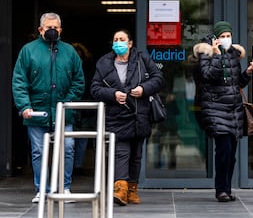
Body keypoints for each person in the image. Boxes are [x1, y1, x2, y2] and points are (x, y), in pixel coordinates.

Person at [12, 12, 85, 203]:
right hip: (37, 111)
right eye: (48, 27)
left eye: (55, 27)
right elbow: (19, 81)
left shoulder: (69, 52)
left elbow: (79, 81)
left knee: (68, 148)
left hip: (64, 111)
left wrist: (67, 103)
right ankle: (42, 190)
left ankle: (65, 188)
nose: (52, 31)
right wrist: (24, 106)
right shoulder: (28, 51)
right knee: (39, 151)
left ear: (60, 30)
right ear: (40, 29)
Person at [90, 29, 164, 206]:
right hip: (117, 116)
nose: (118, 42)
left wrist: (144, 89)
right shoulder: (104, 63)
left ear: (130, 43)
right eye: (115, 39)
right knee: (121, 153)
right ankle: (120, 190)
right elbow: (94, 88)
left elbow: (158, 78)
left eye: (122, 39)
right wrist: (113, 94)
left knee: (136, 155)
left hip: (139, 114)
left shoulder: (142, 59)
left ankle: (132, 190)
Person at [191, 21, 253, 202]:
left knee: (231, 155)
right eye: (223, 36)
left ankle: (226, 189)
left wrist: (249, 72)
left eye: (228, 36)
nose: (226, 39)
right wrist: (216, 54)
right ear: (216, 38)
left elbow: (237, 84)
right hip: (215, 109)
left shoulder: (234, 54)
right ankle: (221, 190)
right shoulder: (206, 53)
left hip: (234, 109)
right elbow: (208, 76)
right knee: (224, 151)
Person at [71, 42, 96, 175]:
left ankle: (77, 166)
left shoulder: (88, 69)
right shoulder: (68, 67)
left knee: (82, 138)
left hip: (85, 106)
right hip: (74, 105)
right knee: (71, 138)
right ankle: (71, 166)